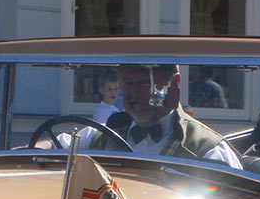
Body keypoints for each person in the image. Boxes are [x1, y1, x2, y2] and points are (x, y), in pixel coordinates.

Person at [90, 63, 241, 167]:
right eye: (129, 83)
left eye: (145, 83)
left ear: (175, 83)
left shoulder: (208, 151)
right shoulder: (101, 138)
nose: (134, 94)